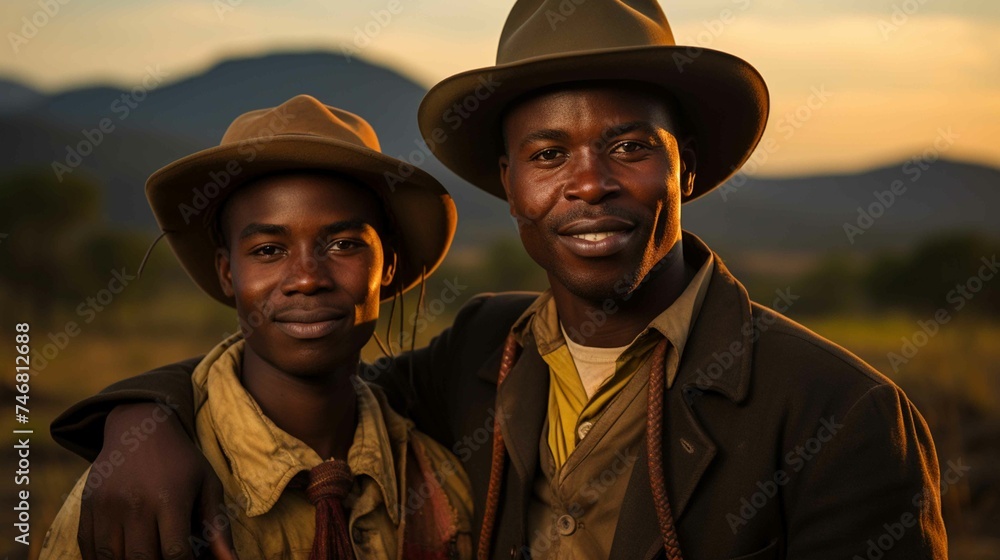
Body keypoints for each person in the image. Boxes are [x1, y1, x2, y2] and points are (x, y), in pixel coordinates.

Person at [50, 1, 948, 559]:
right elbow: (300, 373)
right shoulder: (479, 352)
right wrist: (145, 417)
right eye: (548, 153)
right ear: (510, 186)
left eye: (630, 147)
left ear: (692, 167)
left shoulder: (838, 415)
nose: (588, 182)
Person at [40, 94, 474, 560]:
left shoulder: (441, 487)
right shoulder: (139, 498)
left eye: (345, 244)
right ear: (228, 273)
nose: (307, 278)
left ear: (387, 264)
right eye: (268, 250)